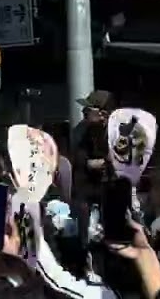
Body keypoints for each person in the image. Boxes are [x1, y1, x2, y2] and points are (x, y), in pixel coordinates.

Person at [71, 89, 114, 270]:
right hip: (86, 186)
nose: (83, 113)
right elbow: (80, 160)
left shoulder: (117, 131)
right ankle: (82, 263)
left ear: (103, 114)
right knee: (82, 222)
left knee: (113, 227)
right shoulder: (81, 130)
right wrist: (95, 162)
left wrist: (110, 162)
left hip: (110, 186)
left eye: (88, 110)